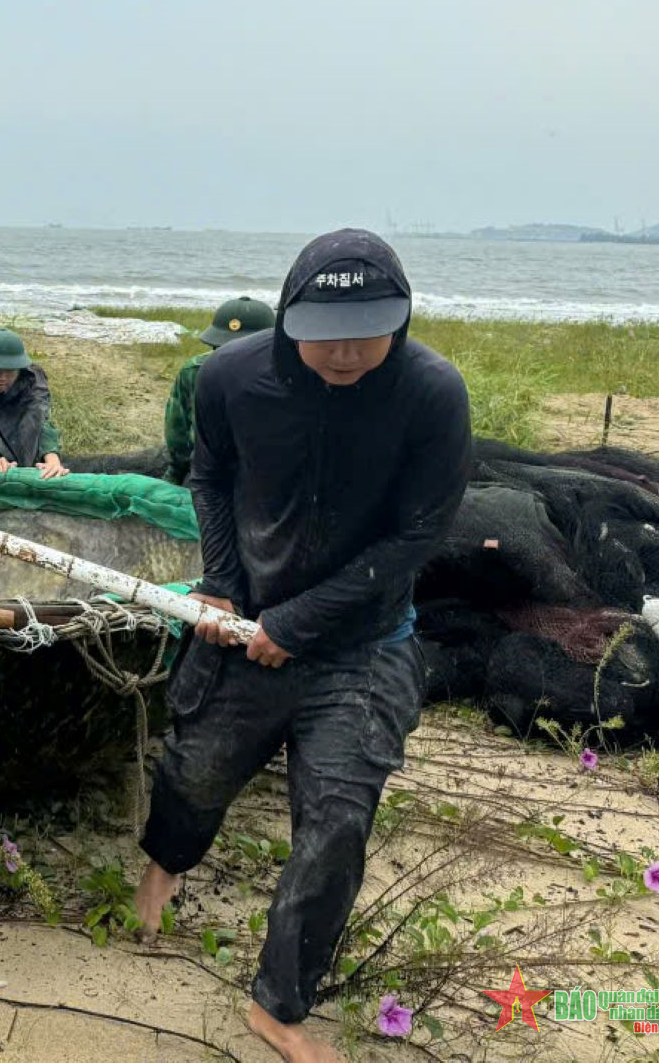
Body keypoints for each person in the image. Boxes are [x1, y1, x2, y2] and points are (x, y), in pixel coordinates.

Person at [132, 230, 471, 1063]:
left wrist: (304, 621)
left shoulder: (432, 394)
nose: (348, 349)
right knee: (196, 765)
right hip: (247, 621)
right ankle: (163, 868)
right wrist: (220, 583)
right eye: (326, 329)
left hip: (363, 643)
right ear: (289, 318)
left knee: (336, 821)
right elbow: (209, 477)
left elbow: (417, 534)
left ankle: (279, 1004)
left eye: (370, 329)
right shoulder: (230, 377)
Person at [163, 296, 274, 483]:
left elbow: (178, 434)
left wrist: (176, 471)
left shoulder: (195, 371)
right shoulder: (193, 372)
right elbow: (178, 434)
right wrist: (176, 471)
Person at [0, 328, 68, 477]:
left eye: (9, 371)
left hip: (9, 415)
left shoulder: (32, 377)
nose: (2, 377)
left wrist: (51, 457)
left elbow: (41, 417)